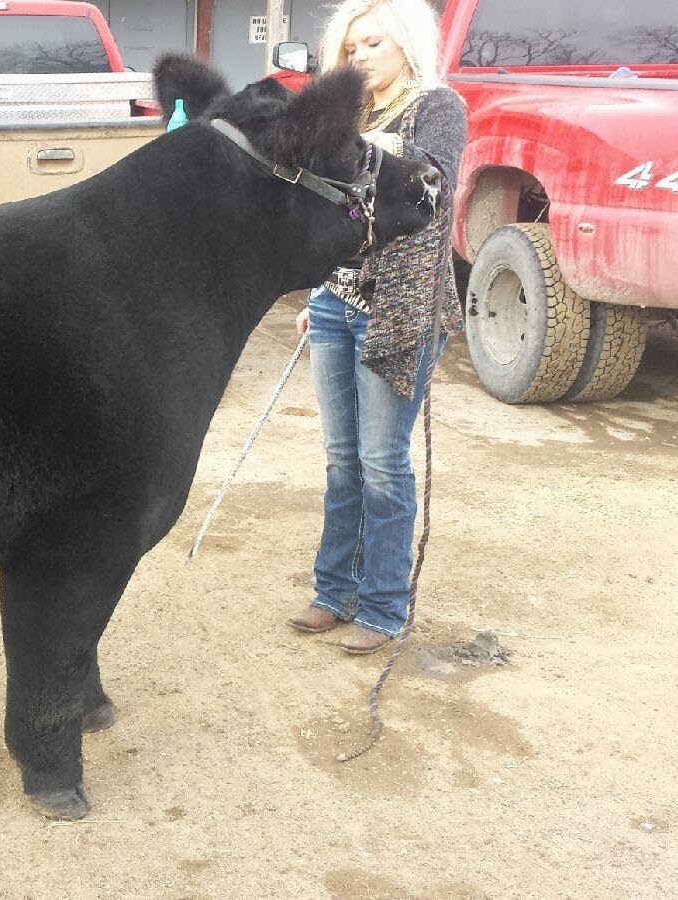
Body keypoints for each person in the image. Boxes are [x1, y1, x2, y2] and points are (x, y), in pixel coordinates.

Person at [286, 0, 467, 655]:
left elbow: (432, 178)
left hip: (403, 307)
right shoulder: (351, 113)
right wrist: (317, 291)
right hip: (337, 303)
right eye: (351, 47)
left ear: (406, 45)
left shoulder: (437, 105)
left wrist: (372, 145)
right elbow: (328, 214)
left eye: (373, 43)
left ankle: (385, 607)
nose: (359, 56)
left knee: (383, 462)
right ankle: (335, 593)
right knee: (342, 460)